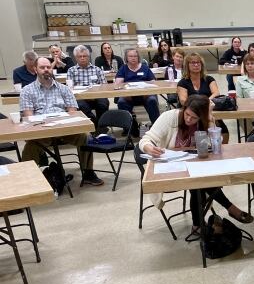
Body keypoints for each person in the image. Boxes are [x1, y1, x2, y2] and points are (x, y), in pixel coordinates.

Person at [138, 95, 253, 237]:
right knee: (199, 183)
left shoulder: (203, 122)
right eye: (187, 114)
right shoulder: (170, 117)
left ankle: (198, 225)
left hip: (192, 166)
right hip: (169, 169)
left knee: (200, 181)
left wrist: (209, 118)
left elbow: (215, 145)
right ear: (184, 109)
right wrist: (149, 147)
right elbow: (146, 139)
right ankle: (228, 208)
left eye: (194, 118)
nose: (188, 119)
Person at [19, 57, 104, 186]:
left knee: (86, 137)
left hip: (65, 128)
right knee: (30, 146)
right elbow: (29, 117)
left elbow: (73, 113)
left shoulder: (63, 89)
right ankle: (28, 180)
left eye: (48, 67)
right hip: (42, 131)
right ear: (35, 69)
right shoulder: (27, 91)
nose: (46, 70)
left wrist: (64, 122)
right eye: (42, 67)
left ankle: (88, 173)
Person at [115, 48, 160, 135]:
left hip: (145, 95)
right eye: (130, 56)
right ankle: (130, 128)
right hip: (129, 96)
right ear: (126, 58)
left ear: (138, 57)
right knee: (121, 102)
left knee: (152, 100)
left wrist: (147, 90)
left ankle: (156, 126)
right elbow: (118, 84)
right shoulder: (123, 68)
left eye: (135, 56)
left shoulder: (144, 68)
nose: (133, 58)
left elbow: (153, 82)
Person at [67, 45, 109, 128]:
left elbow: (105, 86)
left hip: (97, 96)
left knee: (103, 104)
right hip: (80, 97)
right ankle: (96, 125)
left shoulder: (97, 69)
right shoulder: (71, 70)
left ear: (88, 57)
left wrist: (95, 94)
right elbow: (70, 88)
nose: (82, 58)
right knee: (82, 106)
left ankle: (101, 127)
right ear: (76, 58)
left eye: (85, 56)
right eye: (80, 56)